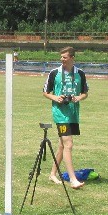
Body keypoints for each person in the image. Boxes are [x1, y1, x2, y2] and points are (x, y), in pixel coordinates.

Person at [43, 46, 89, 189]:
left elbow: (85, 93)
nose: (61, 59)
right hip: (60, 114)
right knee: (68, 144)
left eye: (65, 57)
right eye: (61, 57)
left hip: (73, 113)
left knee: (62, 145)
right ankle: (73, 180)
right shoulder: (54, 73)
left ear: (72, 58)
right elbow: (45, 92)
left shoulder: (80, 73)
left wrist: (78, 98)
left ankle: (52, 174)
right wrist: (56, 97)